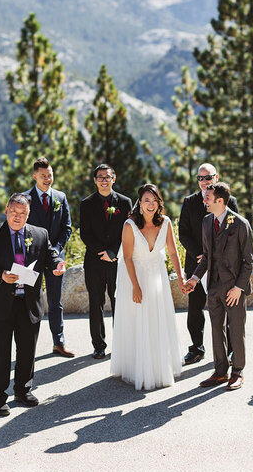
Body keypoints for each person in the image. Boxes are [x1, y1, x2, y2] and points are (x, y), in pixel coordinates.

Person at [0, 193, 66, 416]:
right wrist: (0, 275)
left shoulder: (40, 234)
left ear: (28, 214)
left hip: (29, 302)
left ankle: (23, 391)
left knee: (27, 350)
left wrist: (56, 265)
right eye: (14, 212)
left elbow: (50, 256)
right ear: (7, 210)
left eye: (22, 213)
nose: (17, 217)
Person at [110, 184, 183, 390]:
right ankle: (136, 366)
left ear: (159, 203)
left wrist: (180, 278)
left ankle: (159, 365)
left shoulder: (166, 223)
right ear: (139, 203)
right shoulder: (129, 225)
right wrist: (135, 286)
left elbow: (173, 253)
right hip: (134, 276)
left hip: (157, 276)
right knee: (138, 319)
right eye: (146, 200)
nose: (150, 204)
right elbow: (126, 257)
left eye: (154, 200)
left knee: (157, 317)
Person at [184, 182, 253, 390]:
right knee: (216, 330)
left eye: (207, 198)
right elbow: (206, 257)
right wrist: (195, 279)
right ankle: (220, 371)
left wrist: (238, 288)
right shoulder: (206, 222)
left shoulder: (241, 224)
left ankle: (238, 372)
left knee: (236, 331)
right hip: (213, 287)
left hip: (234, 290)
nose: (204, 201)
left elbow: (248, 261)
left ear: (220, 201)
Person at [179, 162, 239, 365]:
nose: (204, 182)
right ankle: (196, 348)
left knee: (228, 309)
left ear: (216, 177)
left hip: (223, 265)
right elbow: (183, 233)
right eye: (200, 178)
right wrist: (200, 255)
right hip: (196, 264)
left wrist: (214, 256)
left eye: (208, 177)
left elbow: (235, 233)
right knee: (195, 308)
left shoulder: (230, 201)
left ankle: (231, 351)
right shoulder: (189, 202)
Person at [80, 164, 132, 359]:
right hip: (94, 260)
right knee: (96, 303)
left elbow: (129, 229)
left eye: (107, 177)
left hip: (118, 259)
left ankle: (120, 343)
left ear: (114, 179)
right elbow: (85, 233)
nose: (104, 180)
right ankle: (98, 345)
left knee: (119, 301)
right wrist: (102, 252)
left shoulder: (125, 202)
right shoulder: (86, 203)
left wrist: (114, 252)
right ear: (95, 180)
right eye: (100, 177)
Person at [23, 157, 74, 358]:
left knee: (56, 302)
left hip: (56, 259)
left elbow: (67, 227)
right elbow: (20, 228)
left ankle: (59, 342)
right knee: (29, 301)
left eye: (50, 175)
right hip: (31, 259)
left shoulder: (60, 197)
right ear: (34, 176)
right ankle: (27, 346)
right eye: (43, 176)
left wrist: (56, 251)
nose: (48, 179)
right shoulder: (24, 199)